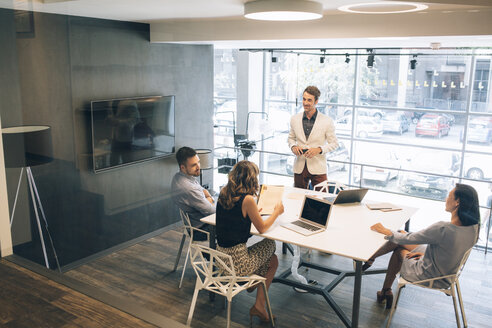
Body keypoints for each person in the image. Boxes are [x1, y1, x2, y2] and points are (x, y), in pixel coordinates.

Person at [368, 184, 480, 309]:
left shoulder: (443, 229)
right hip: (448, 273)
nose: (445, 199)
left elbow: (409, 239)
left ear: (457, 202)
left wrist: (385, 230)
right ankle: (384, 289)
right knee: (400, 234)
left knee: (399, 248)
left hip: (429, 275)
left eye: (449, 196)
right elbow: (451, 250)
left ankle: (370, 259)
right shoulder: (474, 228)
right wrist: (428, 255)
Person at [216, 160, 284, 323]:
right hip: (238, 264)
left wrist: (253, 212)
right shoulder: (247, 200)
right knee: (270, 245)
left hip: (220, 259)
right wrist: (277, 212)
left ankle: (258, 303)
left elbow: (234, 217)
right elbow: (262, 229)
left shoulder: (224, 192)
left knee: (272, 260)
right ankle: (255, 293)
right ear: (252, 179)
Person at [288, 86, 338, 189]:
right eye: (304, 99)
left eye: (309, 100)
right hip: (299, 166)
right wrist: (293, 147)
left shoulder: (327, 121)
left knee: (320, 200)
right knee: (299, 199)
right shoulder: (294, 119)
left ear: (316, 101)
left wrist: (319, 149)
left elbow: (334, 143)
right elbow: (291, 138)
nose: (305, 103)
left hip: (318, 166)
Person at [171, 147, 215, 240]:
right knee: (241, 225)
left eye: (198, 162)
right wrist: (209, 199)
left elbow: (203, 190)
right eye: (194, 165)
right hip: (201, 229)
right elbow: (212, 212)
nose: (199, 167)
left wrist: (207, 198)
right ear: (182, 167)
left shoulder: (179, 176)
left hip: (198, 222)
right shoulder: (189, 188)